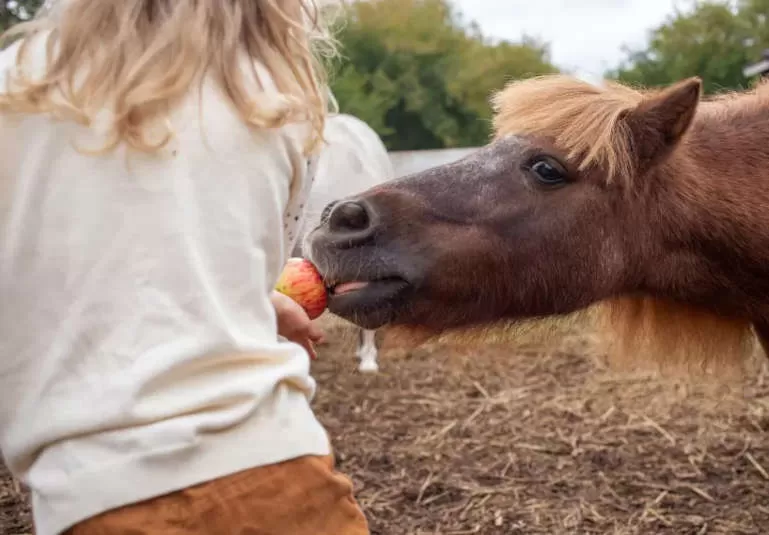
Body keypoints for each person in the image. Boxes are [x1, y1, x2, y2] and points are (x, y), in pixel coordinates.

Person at [0, 1, 370, 534]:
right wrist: (261, 303)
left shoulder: (17, 87)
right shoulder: (272, 99)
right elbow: (222, 263)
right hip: (289, 477)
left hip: (104, 497)